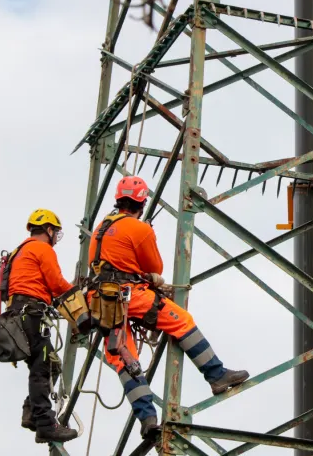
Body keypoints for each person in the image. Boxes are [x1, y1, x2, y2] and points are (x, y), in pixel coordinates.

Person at [88, 176, 250, 439]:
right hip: (129, 295)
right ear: (142, 203)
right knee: (182, 321)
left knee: (123, 357)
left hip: (100, 301)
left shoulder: (100, 228)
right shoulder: (139, 229)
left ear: (119, 200)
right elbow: (155, 268)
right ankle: (216, 375)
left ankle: (147, 418)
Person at [0, 209, 79, 444]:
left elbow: (36, 286)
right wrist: (77, 294)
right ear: (49, 230)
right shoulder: (42, 249)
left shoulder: (19, 252)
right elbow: (56, 284)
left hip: (17, 317)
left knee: (49, 365)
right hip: (30, 316)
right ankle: (45, 424)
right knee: (43, 367)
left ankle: (32, 413)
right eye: (56, 233)